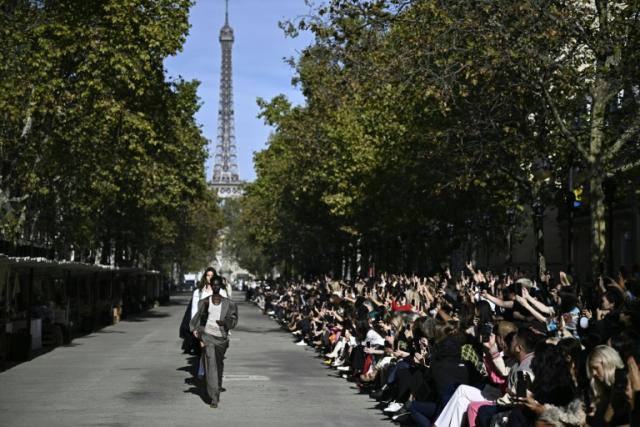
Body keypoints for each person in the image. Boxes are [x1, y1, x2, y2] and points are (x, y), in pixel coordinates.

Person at [190, 277, 238, 408]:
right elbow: (196, 321)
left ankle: (217, 386)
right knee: (211, 365)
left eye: (218, 285)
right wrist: (199, 334)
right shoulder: (204, 303)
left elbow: (234, 320)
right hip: (208, 337)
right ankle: (214, 397)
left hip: (221, 338)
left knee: (218, 363)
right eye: (214, 285)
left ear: (221, 286)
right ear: (211, 286)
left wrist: (226, 323)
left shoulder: (229, 304)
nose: (216, 287)